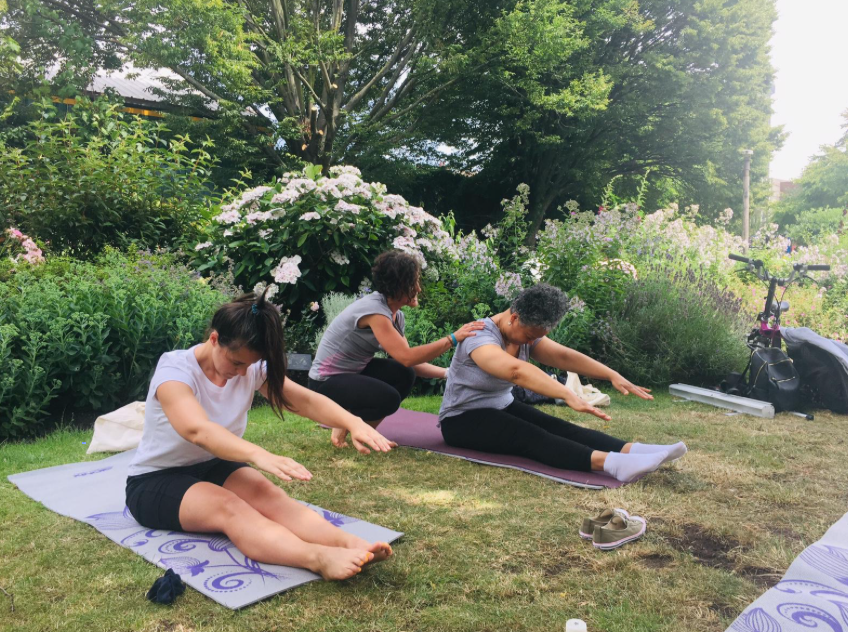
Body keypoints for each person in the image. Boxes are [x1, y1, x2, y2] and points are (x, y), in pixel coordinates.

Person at [125, 289, 397, 581]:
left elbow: (303, 400)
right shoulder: (175, 370)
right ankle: (317, 558)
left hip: (213, 465)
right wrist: (259, 455)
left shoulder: (252, 367)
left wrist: (352, 421)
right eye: (237, 363)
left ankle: (350, 544)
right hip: (155, 480)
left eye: (249, 365)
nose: (243, 373)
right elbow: (198, 430)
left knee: (271, 497)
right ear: (214, 339)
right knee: (230, 508)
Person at [439, 284, 687, 482]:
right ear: (514, 317)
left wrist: (611, 374)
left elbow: (564, 356)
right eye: (529, 336)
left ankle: (634, 450)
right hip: (462, 419)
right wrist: (567, 394)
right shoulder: (478, 336)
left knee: (559, 427)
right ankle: (613, 465)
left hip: (500, 406)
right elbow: (515, 371)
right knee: (530, 436)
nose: (530, 343)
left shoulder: (525, 334)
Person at [309, 250, 483, 448]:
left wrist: (449, 373)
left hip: (350, 373)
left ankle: (358, 428)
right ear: (398, 286)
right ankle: (361, 433)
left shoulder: (395, 316)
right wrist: (452, 339)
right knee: (388, 398)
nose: (418, 288)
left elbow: (408, 362)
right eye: (413, 282)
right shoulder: (376, 313)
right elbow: (407, 356)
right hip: (325, 383)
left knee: (404, 374)